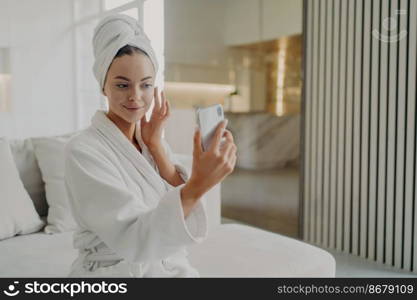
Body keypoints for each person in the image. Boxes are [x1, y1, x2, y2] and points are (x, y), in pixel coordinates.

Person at [64, 14, 237, 277]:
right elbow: (135, 239)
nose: (135, 96)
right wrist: (199, 183)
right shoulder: (82, 150)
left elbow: (182, 215)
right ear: (103, 86)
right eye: (122, 85)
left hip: (167, 265)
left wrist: (156, 145)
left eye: (145, 85)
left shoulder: (152, 142)